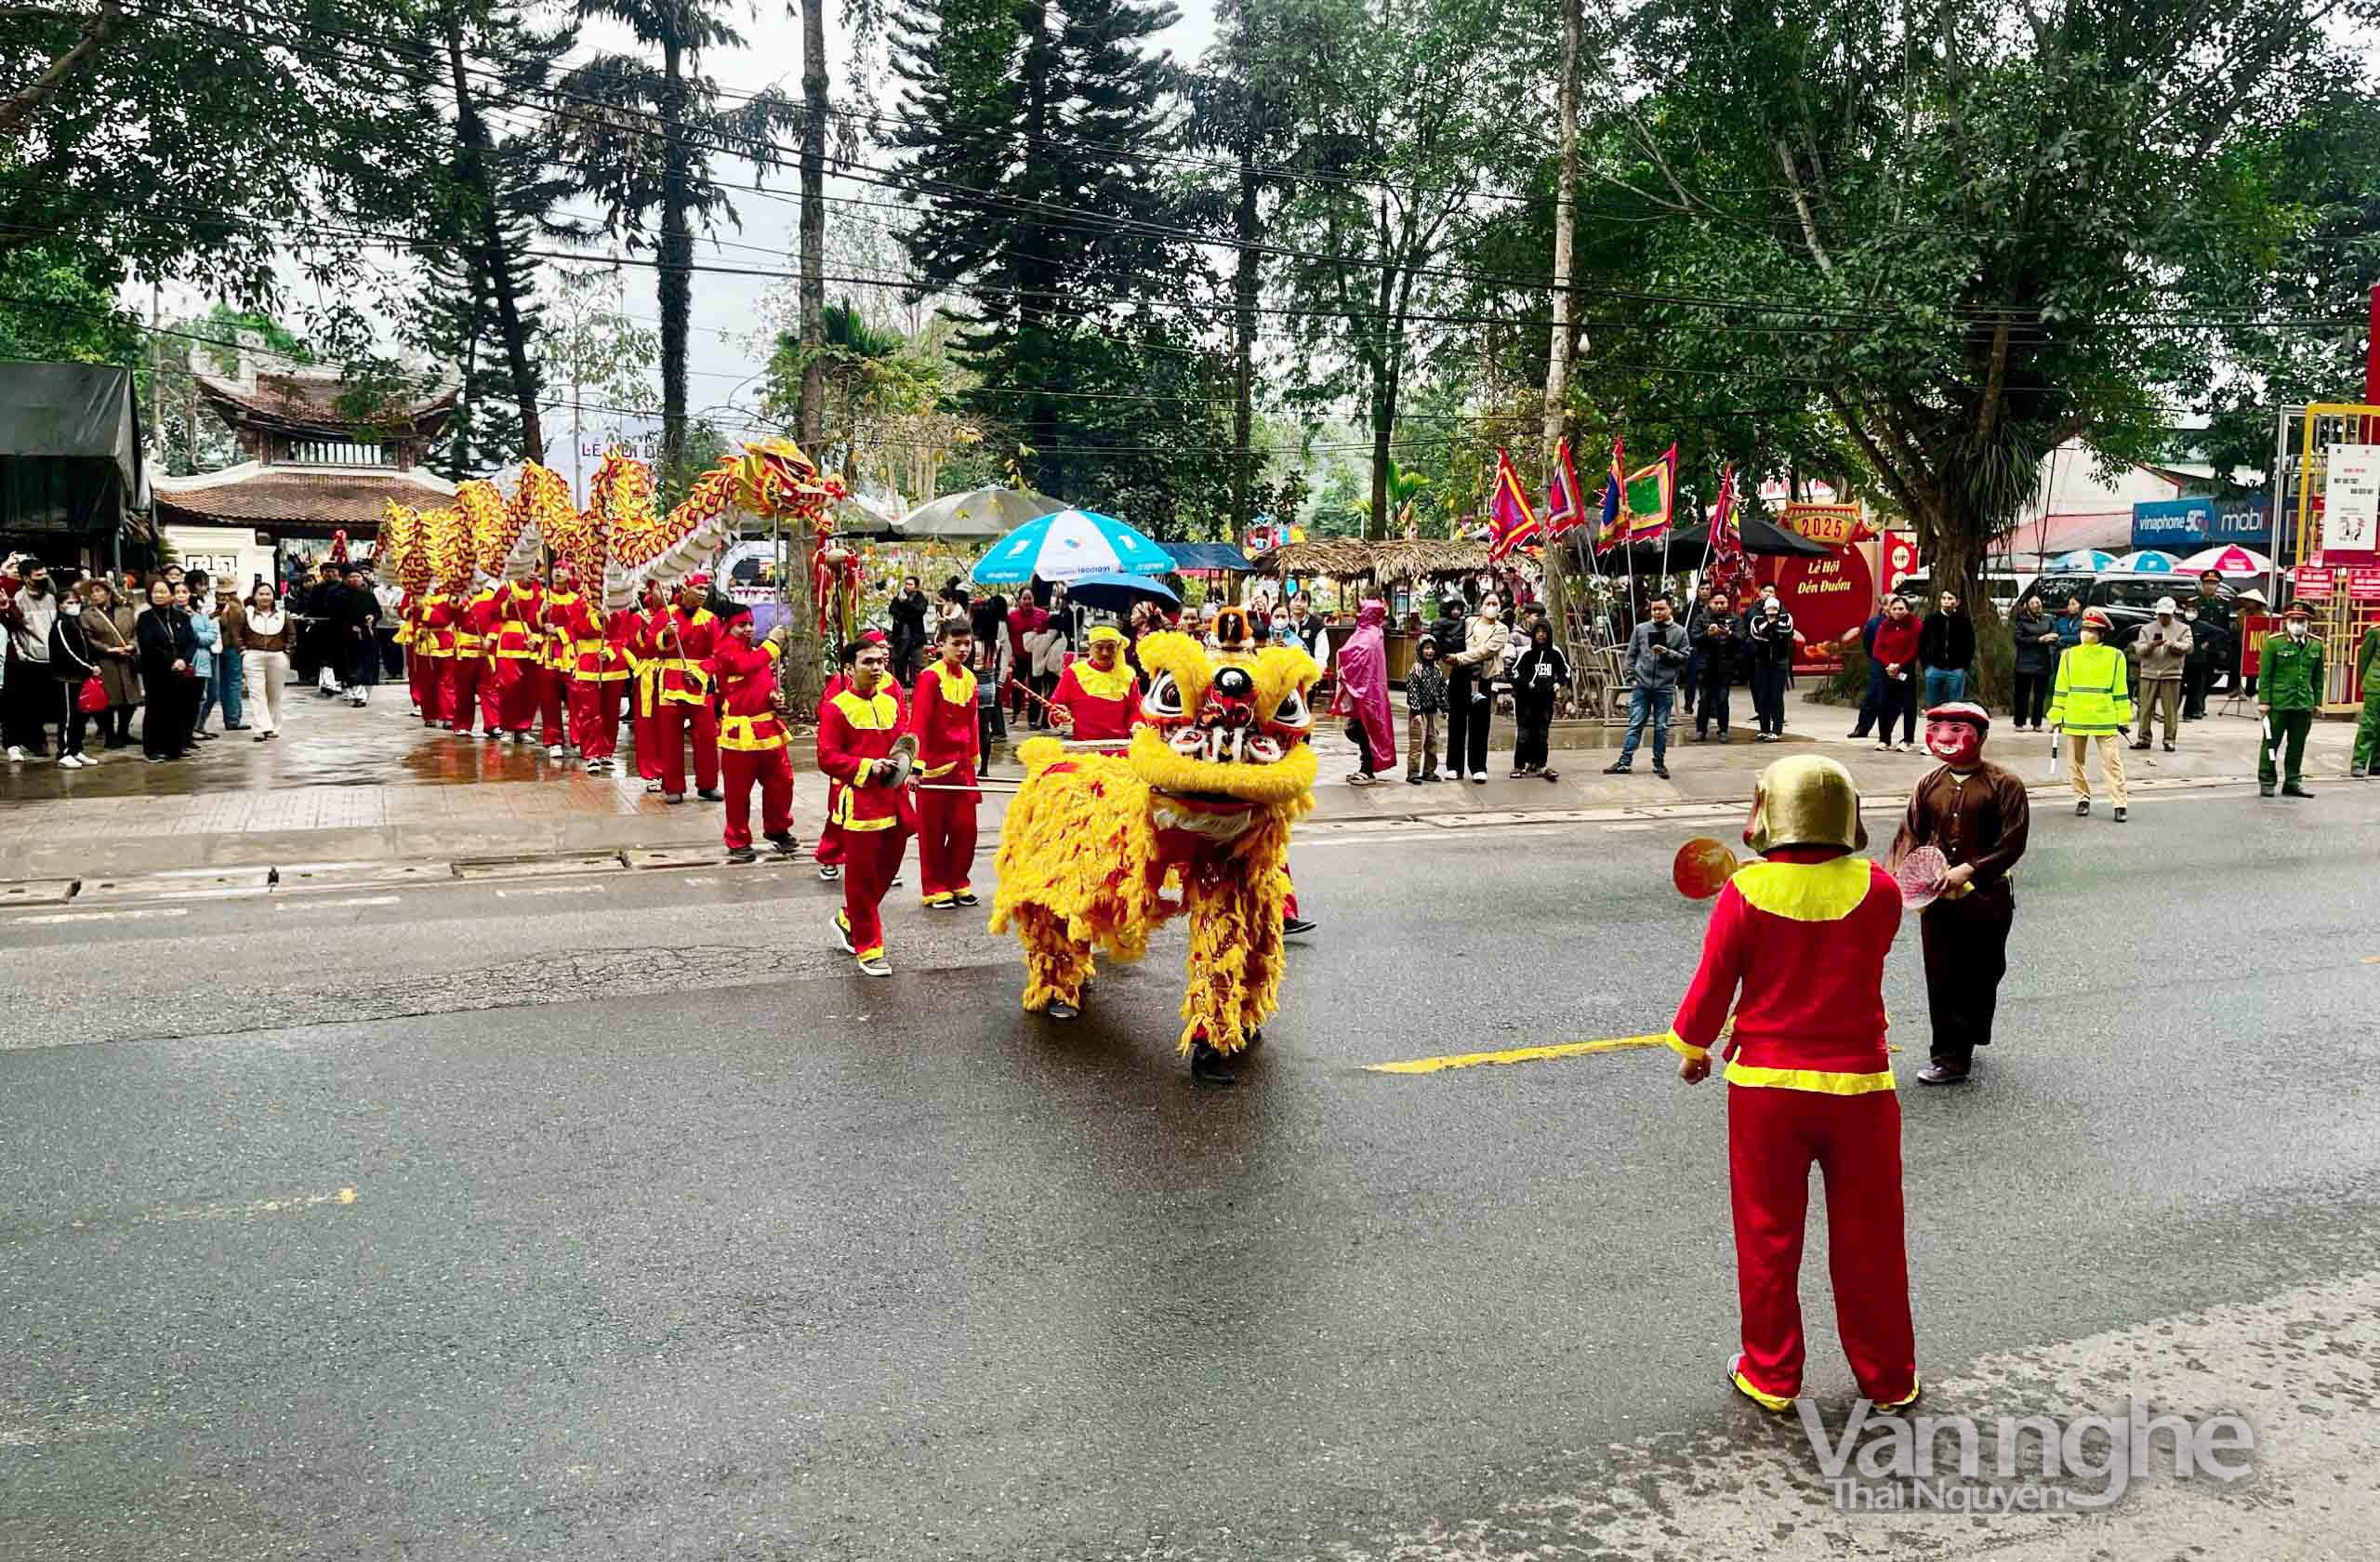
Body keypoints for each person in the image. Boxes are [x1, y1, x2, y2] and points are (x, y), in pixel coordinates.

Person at [1665, 754, 1919, 1413]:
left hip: (1766, 1092)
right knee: (1873, 1240)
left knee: (1768, 1236)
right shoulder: (1881, 890)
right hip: (1861, 1089)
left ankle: (1773, 1375)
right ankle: (1888, 1378)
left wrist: (1694, 1050)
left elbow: (1713, 986)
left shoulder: (1745, 893)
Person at [1891, 703, 2030, 1086]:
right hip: (1938, 901)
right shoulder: (1927, 785)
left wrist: (1970, 869)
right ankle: (1950, 1057)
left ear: (1981, 737)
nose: (1945, 736)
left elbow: (2012, 843)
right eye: (1937, 727)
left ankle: (1971, 1031)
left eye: (1956, 728)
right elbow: (1909, 838)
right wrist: (1909, 883)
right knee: (1943, 974)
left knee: (1984, 973)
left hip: (1988, 898)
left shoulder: (2006, 785)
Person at [815, 635, 916, 976]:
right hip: (859, 804)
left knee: (887, 871)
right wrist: (865, 767)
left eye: (880, 662)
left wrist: (910, 766)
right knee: (859, 879)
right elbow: (827, 757)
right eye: (867, 662)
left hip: (895, 799)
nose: (876, 668)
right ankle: (869, 947)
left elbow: (902, 744)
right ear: (849, 668)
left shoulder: (891, 702)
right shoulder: (836, 707)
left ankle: (849, 919)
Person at [707, 604, 800, 864]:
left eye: (750, 624)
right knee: (738, 792)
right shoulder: (725, 652)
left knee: (783, 782)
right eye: (741, 625)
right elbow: (745, 666)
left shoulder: (756, 652)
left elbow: (760, 684)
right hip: (739, 735)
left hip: (769, 730)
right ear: (728, 627)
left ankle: (778, 829)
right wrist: (773, 643)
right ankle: (738, 839)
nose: (748, 629)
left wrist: (773, 699)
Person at [910, 619, 984, 908]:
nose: (963, 649)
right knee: (933, 831)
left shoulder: (970, 678)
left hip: (962, 764)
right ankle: (934, 886)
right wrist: (916, 766)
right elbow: (920, 722)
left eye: (967, 643)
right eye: (957, 643)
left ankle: (958, 880)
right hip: (933, 766)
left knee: (966, 828)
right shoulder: (930, 677)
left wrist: (975, 757)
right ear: (941, 644)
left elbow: (973, 722)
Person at [2047, 605, 2132, 820]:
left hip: (2105, 717)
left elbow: (2121, 690)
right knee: (2075, 762)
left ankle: (2119, 803)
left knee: (2112, 762)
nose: (2087, 633)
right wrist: (2057, 713)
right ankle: (2082, 799)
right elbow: (2061, 687)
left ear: (2101, 634)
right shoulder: (2069, 656)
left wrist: (2123, 717)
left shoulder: (2115, 657)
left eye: (2092, 630)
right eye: (2085, 629)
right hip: (2075, 716)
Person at [652, 575, 723, 803]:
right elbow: (648, 645)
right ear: (685, 588)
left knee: (707, 736)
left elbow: (718, 654)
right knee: (670, 736)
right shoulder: (666, 615)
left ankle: (707, 784)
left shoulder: (710, 619)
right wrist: (665, 635)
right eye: (699, 588)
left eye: (706, 589)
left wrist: (701, 672)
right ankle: (673, 786)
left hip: (699, 683)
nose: (703, 593)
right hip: (670, 680)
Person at [1603, 595, 1687, 777]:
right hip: (1642, 685)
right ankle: (1624, 762)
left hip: (1664, 686)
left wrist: (1668, 653)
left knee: (1661, 727)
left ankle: (1659, 764)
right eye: (1654, 609)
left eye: (1661, 609)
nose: (1657, 612)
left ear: (1670, 608)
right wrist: (1631, 677)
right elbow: (1631, 655)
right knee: (1635, 724)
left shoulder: (1680, 632)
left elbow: (1685, 657)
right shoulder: (1641, 629)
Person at [1329, 599, 1397, 785]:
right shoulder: (1371, 632)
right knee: (1357, 728)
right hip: (1361, 691)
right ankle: (1365, 766)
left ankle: (1367, 769)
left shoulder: (1371, 634)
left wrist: (1344, 660)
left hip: (1366, 693)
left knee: (1365, 729)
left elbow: (1357, 658)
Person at [2259, 601, 2322, 800]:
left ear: (2308, 623)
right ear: (2286, 621)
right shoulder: (2274, 642)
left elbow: (2318, 677)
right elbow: (2265, 675)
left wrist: (2318, 702)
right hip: (2278, 703)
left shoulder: (2316, 644)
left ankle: (2293, 781)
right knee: (2271, 743)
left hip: (2303, 703)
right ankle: (2267, 780)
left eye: (2301, 621)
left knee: (2297, 745)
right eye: (2293, 620)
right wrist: (2264, 701)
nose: (2298, 624)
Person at [134, 577, 199, 762]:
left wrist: (184, 660)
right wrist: (171, 660)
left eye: (163, 591)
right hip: (156, 669)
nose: (159, 595)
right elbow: (148, 645)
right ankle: (152, 749)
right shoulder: (145, 618)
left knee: (178, 708)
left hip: (179, 669)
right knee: (156, 708)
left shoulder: (182, 617)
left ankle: (175, 747)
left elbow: (191, 641)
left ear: (171, 594)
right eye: (155, 592)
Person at [4, 558, 59, 759]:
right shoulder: (17, 600)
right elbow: (14, 631)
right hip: (28, 661)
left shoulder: (52, 598)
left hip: (50, 659)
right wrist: (22, 655)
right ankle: (30, 740)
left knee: (43, 704)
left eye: (45, 573)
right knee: (27, 704)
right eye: (38, 575)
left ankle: (35, 739)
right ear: (27, 579)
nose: (43, 578)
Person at [1047, 623, 1141, 741]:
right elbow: (1055, 706)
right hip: (1084, 747)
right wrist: (1058, 715)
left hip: (1120, 746)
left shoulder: (1128, 675)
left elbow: (1135, 709)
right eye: (1099, 647)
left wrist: (1137, 724)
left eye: (1111, 647)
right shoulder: (1074, 672)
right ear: (1089, 647)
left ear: (1118, 648)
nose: (1105, 653)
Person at [1448, 591, 1505, 782]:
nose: (1491, 606)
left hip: (1483, 677)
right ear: (1481, 605)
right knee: (1456, 720)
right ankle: (1454, 766)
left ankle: (1478, 767)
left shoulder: (1501, 629)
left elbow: (1485, 651)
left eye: (1494, 603)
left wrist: (1460, 658)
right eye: (1488, 602)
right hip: (1460, 674)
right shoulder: (1468, 622)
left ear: (1499, 606)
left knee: (1480, 723)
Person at [81, 577, 142, 748]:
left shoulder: (126, 611)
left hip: (127, 660)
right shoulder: (87, 615)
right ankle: (109, 734)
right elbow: (89, 638)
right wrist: (108, 650)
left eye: (99, 591)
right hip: (105, 661)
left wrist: (132, 646)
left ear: (108, 593)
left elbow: (136, 633)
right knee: (108, 700)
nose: (95, 595)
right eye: (92, 592)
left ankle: (124, 732)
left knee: (130, 700)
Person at [46, 584, 101, 767]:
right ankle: (64, 752)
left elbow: (86, 647)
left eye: (77, 602)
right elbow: (67, 652)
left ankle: (76, 749)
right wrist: (88, 667)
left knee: (80, 716)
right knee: (68, 716)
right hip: (67, 677)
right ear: (60, 605)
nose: (74, 605)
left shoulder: (76, 623)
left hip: (80, 676)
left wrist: (93, 664)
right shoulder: (61, 624)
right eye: (70, 602)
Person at [229, 582, 292, 740]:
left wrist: (287, 652)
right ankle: (261, 728)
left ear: (273, 596)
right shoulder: (246, 614)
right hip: (253, 656)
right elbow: (236, 633)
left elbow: (291, 635)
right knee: (257, 693)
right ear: (254, 596)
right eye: (261, 594)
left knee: (274, 694)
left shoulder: (283, 615)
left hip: (277, 656)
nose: (265, 597)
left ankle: (273, 726)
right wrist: (243, 651)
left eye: (268, 594)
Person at [2127, 596, 2190, 752]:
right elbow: (2139, 650)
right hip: (2149, 672)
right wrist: (2151, 645)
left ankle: (2169, 740)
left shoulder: (2183, 628)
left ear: (2173, 613)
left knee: (2170, 710)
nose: (2163, 618)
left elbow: (2189, 647)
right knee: (2145, 709)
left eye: (2166, 615)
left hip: (2171, 673)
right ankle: (2143, 738)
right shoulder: (2146, 629)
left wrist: (2173, 644)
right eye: (2160, 614)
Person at [1509, 618, 1569, 779]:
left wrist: (1558, 683)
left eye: (1544, 632)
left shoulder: (1555, 652)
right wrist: (1525, 683)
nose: (1541, 635)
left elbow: (1565, 670)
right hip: (1525, 701)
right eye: (1538, 632)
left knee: (1542, 734)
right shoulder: (1527, 652)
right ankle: (1520, 765)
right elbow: (1514, 672)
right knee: (1524, 735)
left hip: (1545, 700)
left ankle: (1541, 765)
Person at [488, 570, 543, 738]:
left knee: (529, 687)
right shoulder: (507, 588)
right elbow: (493, 613)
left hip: (531, 641)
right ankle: (506, 724)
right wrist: (507, 604)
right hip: (508, 641)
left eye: (536, 569)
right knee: (509, 684)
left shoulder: (539, 591)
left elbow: (542, 618)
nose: (532, 573)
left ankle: (523, 728)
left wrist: (538, 637)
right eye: (529, 568)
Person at [1870, 594, 1922, 752]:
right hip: (1887, 670)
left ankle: (1907, 740)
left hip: (1906, 670)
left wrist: (1899, 665)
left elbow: (1914, 649)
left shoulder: (1915, 624)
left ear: (1907, 609)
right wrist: (1889, 665)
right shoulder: (1884, 625)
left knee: (1908, 706)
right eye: (1895, 609)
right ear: (1889, 610)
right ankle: (1884, 739)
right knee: (1884, 704)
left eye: (1901, 608)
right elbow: (1878, 648)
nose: (1898, 612)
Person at [967, 596, 1012, 774]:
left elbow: (968, 667)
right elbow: (1000, 665)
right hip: (990, 684)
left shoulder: (971, 643)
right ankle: (984, 768)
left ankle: (969, 763)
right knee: (985, 727)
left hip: (973, 683)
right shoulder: (994, 643)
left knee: (969, 726)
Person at [1744, 595, 1796, 742]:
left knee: (1776, 697)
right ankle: (1764, 729)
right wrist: (1772, 630)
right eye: (1769, 608)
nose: (1771, 612)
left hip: (1780, 662)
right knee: (1763, 696)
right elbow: (1757, 635)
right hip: (1762, 662)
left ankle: (1777, 730)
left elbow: (1786, 632)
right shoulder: (1756, 619)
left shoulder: (1787, 618)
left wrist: (1769, 630)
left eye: (1775, 609)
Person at [2005, 592, 2056, 733]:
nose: (2036, 605)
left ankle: (2037, 723)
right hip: (2024, 664)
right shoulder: (2021, 621)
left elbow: (2055, 634)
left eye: (2038, 603)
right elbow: (2018, 639)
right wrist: (2038, 640)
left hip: (2042, 663)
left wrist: (2052, 637)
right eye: (2033, 603)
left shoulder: (2048, 620)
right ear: (2027, 606)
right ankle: (2020, 722)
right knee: (2022, 694)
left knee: (2040, 695)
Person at [1691, 590, 1738, 742]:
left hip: (1726, 666)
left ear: (1727, 603)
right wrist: (1707, 634)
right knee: (1704, 699)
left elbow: (1742, 638)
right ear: (1710, 603)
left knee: (1722, 699)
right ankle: (1700, 730)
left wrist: (1729, 634)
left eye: (1722, 603)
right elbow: (1694, 638)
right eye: (1716, 603)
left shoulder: (1734, 619)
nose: (1719, 606)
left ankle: (1723, 730)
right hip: (1705, 665)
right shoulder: (1701, 618)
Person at [333, 566, 380, 708]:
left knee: (368, 664)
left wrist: (373, 617)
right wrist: (349, 626)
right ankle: (359, 696)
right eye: (351, 577)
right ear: (346, 579)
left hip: (368, 634)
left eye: (357, 577)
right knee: (353, 665)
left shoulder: (369, 595)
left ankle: (363, 693)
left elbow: (378, 612)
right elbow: (336, 617)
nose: (355, 579)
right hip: (348, 636)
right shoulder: (339, 596)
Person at [1916, 589, 1974, 708]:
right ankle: (1935, 726)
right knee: (1933, 706)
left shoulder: (1964, 621)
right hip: (1934, 669)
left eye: (1950, 598)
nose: (1946, 601)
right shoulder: (1931, 620)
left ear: (1957, 602)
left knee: (1955, 706)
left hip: (1956, 670)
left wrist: (1964, 666)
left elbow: (1970, 645)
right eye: (1944, 598)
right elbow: (1922, 643)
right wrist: (1926, 666)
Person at [1404, 631, 1448, 783]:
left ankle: (1429, 771)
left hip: (1433, 712)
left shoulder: (1437, 671)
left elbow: (1443, 690)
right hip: (1419, 712)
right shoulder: (1416, 670)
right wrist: (1415, 710)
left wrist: (1445, 708)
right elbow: (1412, 690)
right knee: (1417, 742)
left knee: (1433, 742)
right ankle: (1413, 772)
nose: (1429, 651)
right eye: (1426, 648)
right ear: (1420, 650)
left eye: (1432, 648)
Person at [181, 580, 221, 741]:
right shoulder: (175, 617)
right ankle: (189, 730)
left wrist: (195, 638)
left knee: (211, 695)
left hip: (206, 657)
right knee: (195, 697)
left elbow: (211, 636)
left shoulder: (201, 616)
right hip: (188, 660)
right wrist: (197, 638)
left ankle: (199, 726)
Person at [2192, 569, 2237, 702]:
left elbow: (2224, 627)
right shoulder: (2195, 602)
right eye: (2207, 583)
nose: (2210, 586)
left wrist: (2222, 647)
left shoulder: (2223, 603)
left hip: (2214, 646)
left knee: (2209, 676)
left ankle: (2202, 701)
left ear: (2218, 585)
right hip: (2198, 645)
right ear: (2202, 584)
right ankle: (2197, 705)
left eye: (2213, 583)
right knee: (2196, 676)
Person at [210, 580, 246, 733]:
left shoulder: (216, 606)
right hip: (233, 647)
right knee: (233, 682)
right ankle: (233, 719)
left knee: (224, 683)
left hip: (219, 647)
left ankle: (230, 718)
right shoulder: (235, 606)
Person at [1682, 583, 1718, 719]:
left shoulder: (1715, 607)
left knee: (1710, 679)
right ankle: (1688, 705)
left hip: (1710, 648)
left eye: (1707, 589)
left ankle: (1711, 707)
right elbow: (1683, 627)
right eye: (1702, 589)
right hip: (1694, 647)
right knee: (1691, 679)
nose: (1704, 592)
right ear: (1697, 591)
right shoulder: (1690, 608)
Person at [888, 575, 930, 685]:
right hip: (901, 635)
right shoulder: (899, 597)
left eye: (910, 584)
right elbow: (892, 610)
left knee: (917, 663)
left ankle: (917, 684)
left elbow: (919, 611)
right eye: (906, 584)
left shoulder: (921, 599)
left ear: (916, 587)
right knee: (899, 661)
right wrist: (905, 612)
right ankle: (901, 684)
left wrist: (905, 603)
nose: (907, 586)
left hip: (916, 636)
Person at [2354, 616, 2380, 779]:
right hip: (2376, 684)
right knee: (2369, 724)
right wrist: (2366, 680)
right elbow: (2364, 659)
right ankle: (2359, 763)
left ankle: (2377, 764)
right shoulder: (2375, 632)